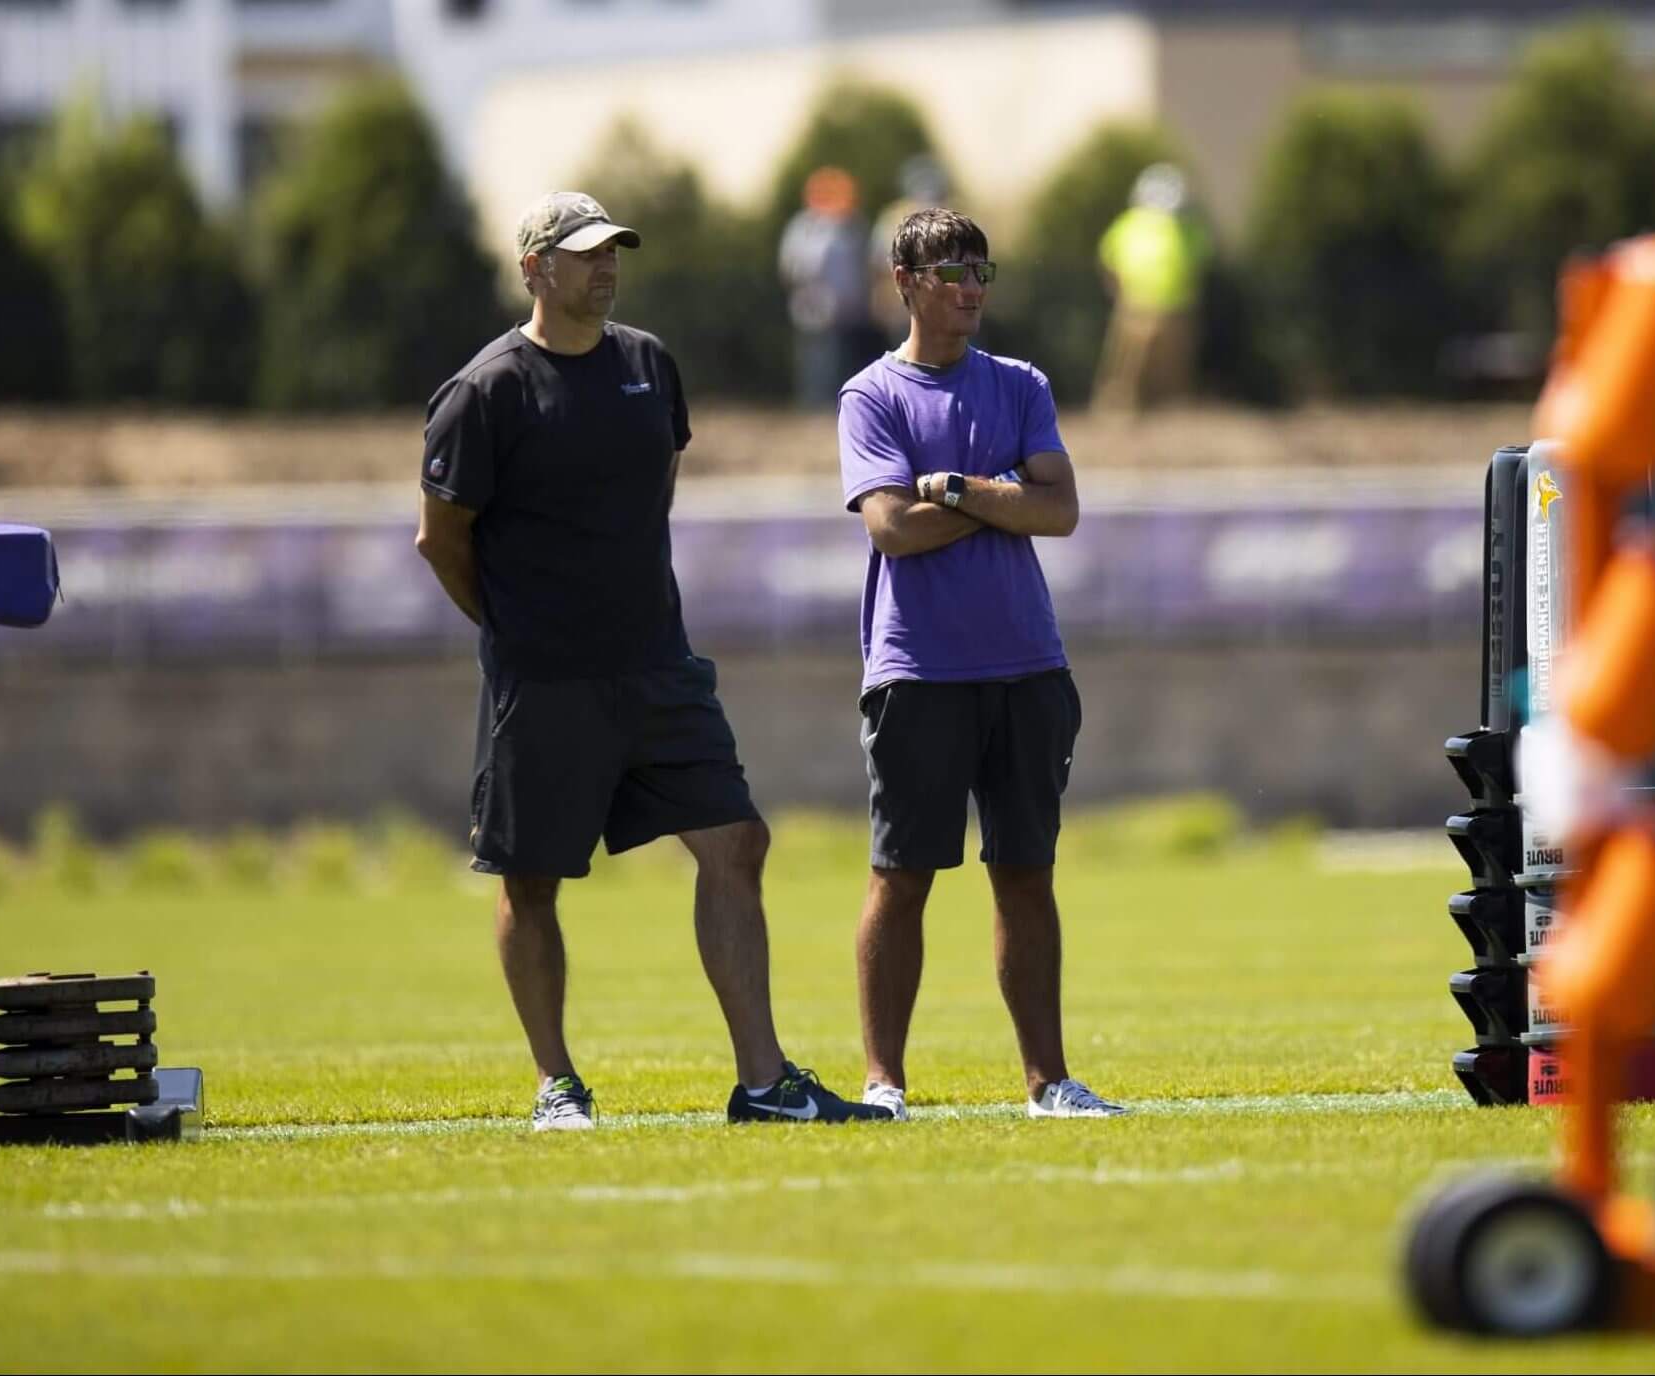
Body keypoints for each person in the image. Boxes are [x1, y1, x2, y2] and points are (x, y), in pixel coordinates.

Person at [416, 191, 890, 1131]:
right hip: (544, 681)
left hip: (657, 666)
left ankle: (762, 1084)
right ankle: (558, 1084)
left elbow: (655, 491)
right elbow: (442, 541)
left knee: (736, 841)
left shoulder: (648, 365)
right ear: (535, 270)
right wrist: (512, 626)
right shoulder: (487, 391)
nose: (606, 265)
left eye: (613, 251)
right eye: (585, 252)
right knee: (532, 879)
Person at [838, 206, 1125, 1122]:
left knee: (1026, 873)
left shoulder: (1021, 384)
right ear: (905, 282)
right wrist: (1006, 496)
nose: (969, 288)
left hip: (1027, 666)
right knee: (902, 876)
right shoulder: (871, 397)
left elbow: (1062, 510)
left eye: (980, 271)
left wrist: (959, 489)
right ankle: (884, 1082)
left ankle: (1050, 1082)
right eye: (951, 271)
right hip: (918, 672)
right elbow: (892, 529)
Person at [1094, 163, 1209, 413]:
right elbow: (1109, 259)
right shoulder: (1131, 224)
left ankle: (1164, 409)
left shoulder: (1184, 227)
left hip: (1171, 307)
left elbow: (1107, 260)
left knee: (1168, 367)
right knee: (1129, 366)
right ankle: (1120, 407)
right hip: (1139, 305)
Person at [778, 166, 872, 411]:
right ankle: (815, 405)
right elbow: (791, 266)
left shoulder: (853, 227)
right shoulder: (804, 226)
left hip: (848, 307)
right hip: (813, 305)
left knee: (844, 357)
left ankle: (840, 404)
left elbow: (862, 267)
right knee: (817, 356)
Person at [867, 154, 951, 342]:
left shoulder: (955, 216)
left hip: (950, 308)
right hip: (905, 310)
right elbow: (880, 266)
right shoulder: (894, 218)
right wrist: (881, 302)